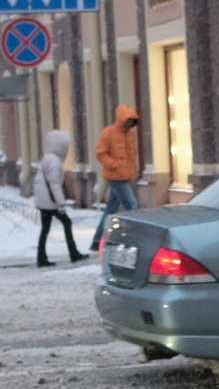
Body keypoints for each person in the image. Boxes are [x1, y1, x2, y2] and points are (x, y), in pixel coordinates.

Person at [90, 102, 142, 252]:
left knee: (110, 210)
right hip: (115, 177)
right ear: (121, 119)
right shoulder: (108, 133)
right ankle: (133, 237)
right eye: (128, 120)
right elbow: (100, 153)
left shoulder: (130, 134)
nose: (130, 123)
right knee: (131, 205)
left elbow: (131, 154)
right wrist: (113, 164)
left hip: (125, 176)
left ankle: (97, 240)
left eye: (132, 121)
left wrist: (131, 169)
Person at [30, 129, 85, 267]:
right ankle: (73, 254)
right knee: (67, 223)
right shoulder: (54, 161)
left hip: (44, 201)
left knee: (45, 229)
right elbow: (55, 184)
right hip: (51, 202)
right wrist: (61, 203)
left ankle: (41, 258)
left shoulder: (46, 158)